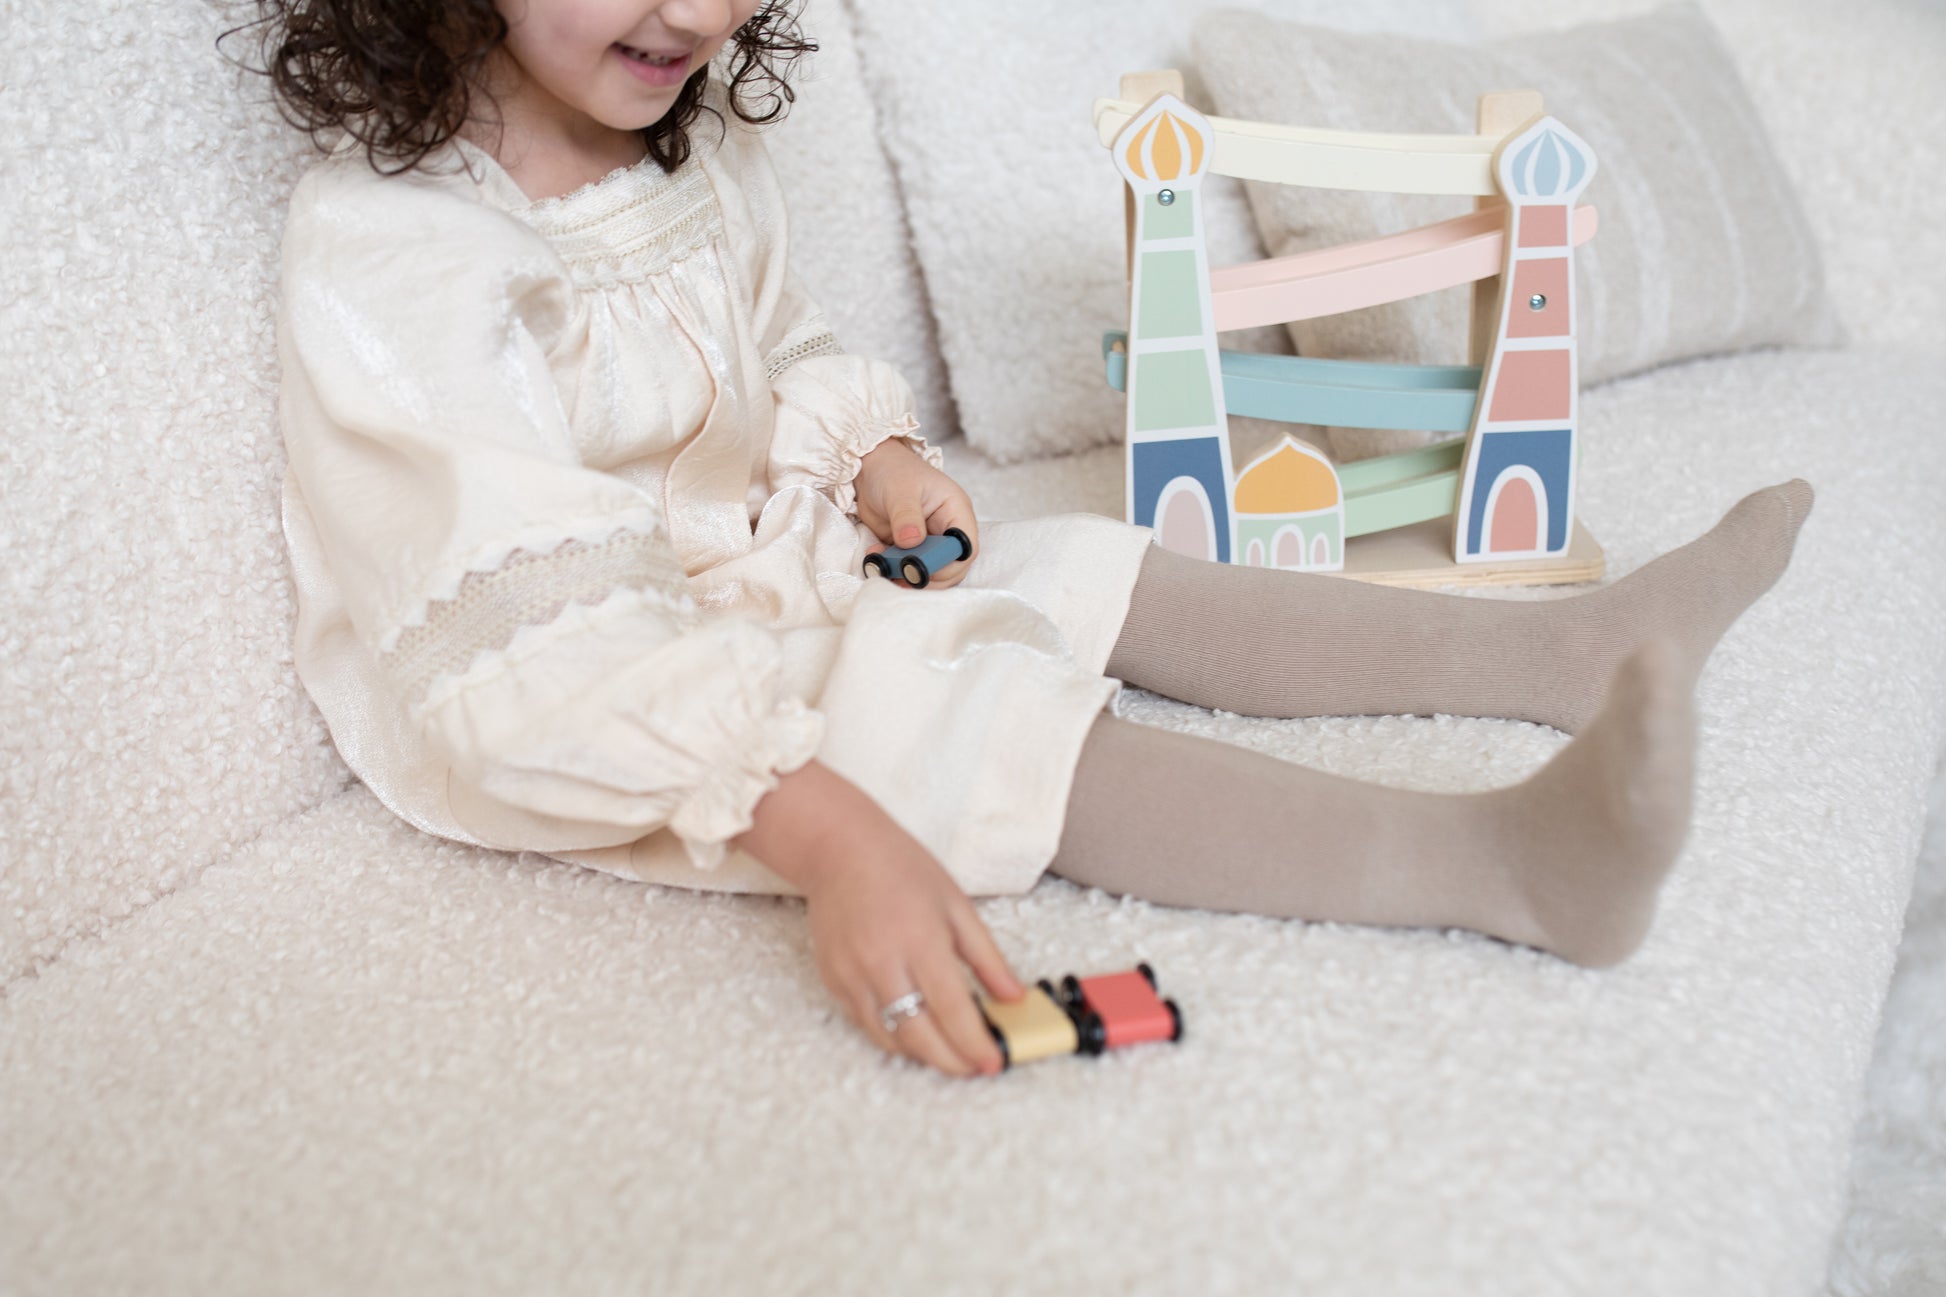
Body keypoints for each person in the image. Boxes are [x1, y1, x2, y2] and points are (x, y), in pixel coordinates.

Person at [230, 0, 1812, 1080]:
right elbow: (530, 643)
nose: (699, 12)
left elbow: (779, 344)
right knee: (972, 716)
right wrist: (834, 836)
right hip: (572, 683)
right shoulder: (401, 250)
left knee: (1075, 561)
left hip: (754, 562)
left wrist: (877, 461)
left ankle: (1563, 648)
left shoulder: (690, 154)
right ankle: (1502, 864)